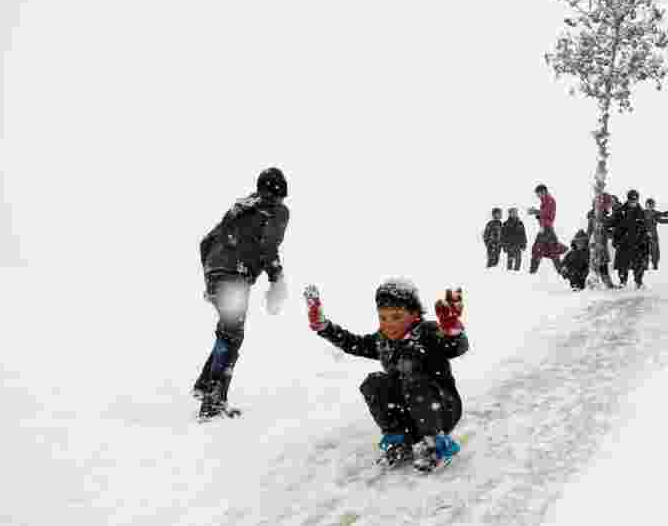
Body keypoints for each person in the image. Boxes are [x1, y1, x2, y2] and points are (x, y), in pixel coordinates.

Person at [305, 279, 466, 473]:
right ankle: (400, 438)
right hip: (411, 416)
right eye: (383, 318)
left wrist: (452, 332)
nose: (389, 324)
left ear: (415, 314)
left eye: (396, 316)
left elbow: (455, 347)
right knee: (374, 382)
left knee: (412, 379)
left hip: (442, 410)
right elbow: (353, 343)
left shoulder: (427, 333)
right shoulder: (383, 340)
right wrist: (324, 327)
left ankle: (437, 444)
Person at [193, 167, 290, 421]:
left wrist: (212, 275)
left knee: (229, 331)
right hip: (235, 276)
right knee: (233, 335)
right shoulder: (276, 210)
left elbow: (205, 242)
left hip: (216, 273)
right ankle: (212, 401)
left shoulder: (239, 209)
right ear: (281, 192)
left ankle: (206, 386)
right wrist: (276, 278)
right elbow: (268, 245)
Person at [610, 189, 650, 287]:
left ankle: (638, 281)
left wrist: (645, 242)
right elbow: (614, 225)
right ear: (628, 199)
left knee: (639, 264)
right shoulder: (620, 211)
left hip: (638, 243)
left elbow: (645, 228)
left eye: (635, 200)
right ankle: (623, 281)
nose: (633, 202)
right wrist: (616, 240)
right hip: (623, 242)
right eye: (631, 200)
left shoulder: (641, 212)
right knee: (623, 264)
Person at [527, 184, 568, 274]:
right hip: (545, 228)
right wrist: (538, 215)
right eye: (537, 194)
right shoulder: (544, 201)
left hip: (547, 229)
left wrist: (535, 211)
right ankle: (563, 273)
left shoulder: (549, 200)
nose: (537, 196)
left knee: (539, 250)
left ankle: (532, 273)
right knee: (550, 251)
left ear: (544, 191)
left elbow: (548, 214)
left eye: (538, 193)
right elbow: (545, 215)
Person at [585, 192, 617, 288]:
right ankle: (595, 282)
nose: (609, 207)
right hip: (599, 245)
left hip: (597, 244)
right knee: (600, 265)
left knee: (599, 265)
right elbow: (602, 230)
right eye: (609, 204)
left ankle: (604, 283)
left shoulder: (595, 217)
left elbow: (591, 231)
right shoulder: (601, 217)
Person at [643, 197, 668, 270]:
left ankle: (655, 265)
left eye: (652, 205)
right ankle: (644, 265)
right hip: (644, 236)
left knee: (655, 252)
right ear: (646, 205)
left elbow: (663, 218)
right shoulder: (642, 213)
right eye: (649, 204)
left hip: (654, 235)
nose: (651, 206)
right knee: (644, 252)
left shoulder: (655, 213)